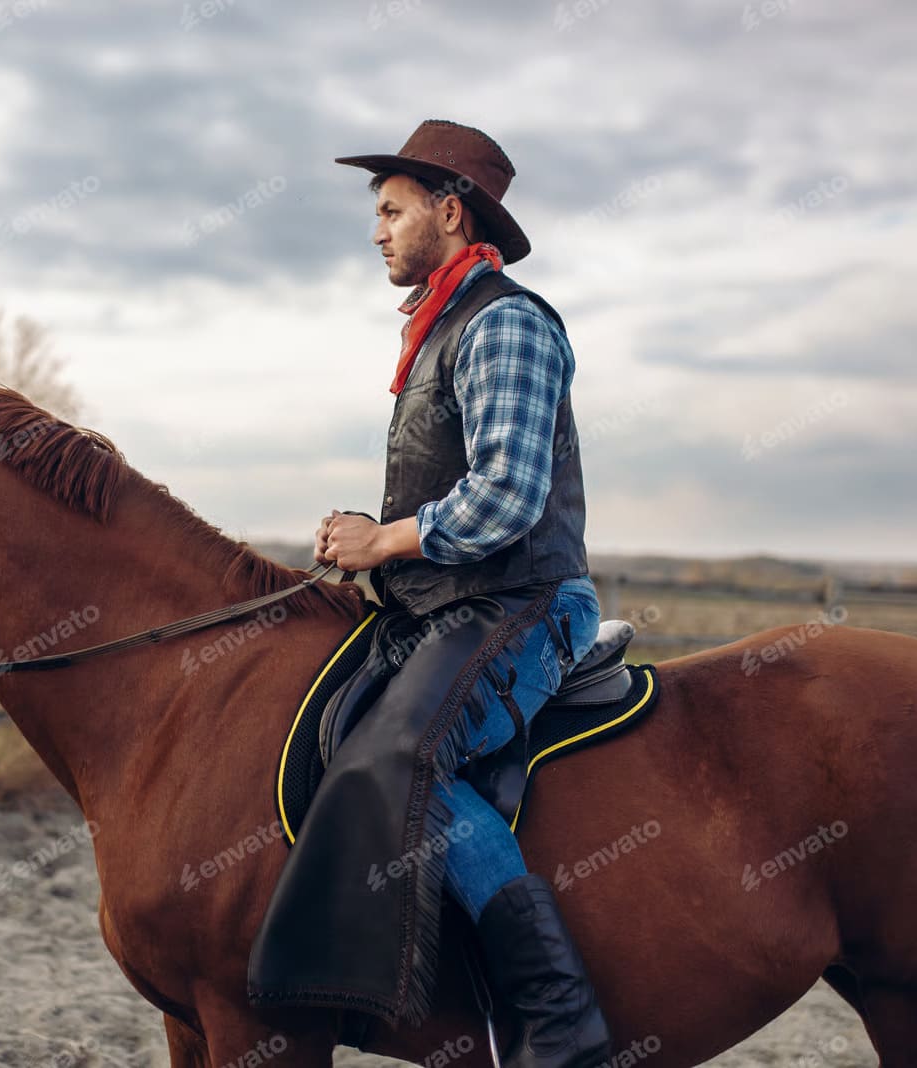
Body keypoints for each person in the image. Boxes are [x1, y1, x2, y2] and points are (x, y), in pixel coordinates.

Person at [318, 119, 611, 1067]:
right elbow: (448, 492)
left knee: (406, 766)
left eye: (393, 210)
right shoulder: (440, 327)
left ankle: (557, 1019)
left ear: (450, 211)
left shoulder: (505, 323)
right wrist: (375, 545)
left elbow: (508, 496)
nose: (378, 231)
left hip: (522, 605)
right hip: (451, 606)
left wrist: (385, 540)